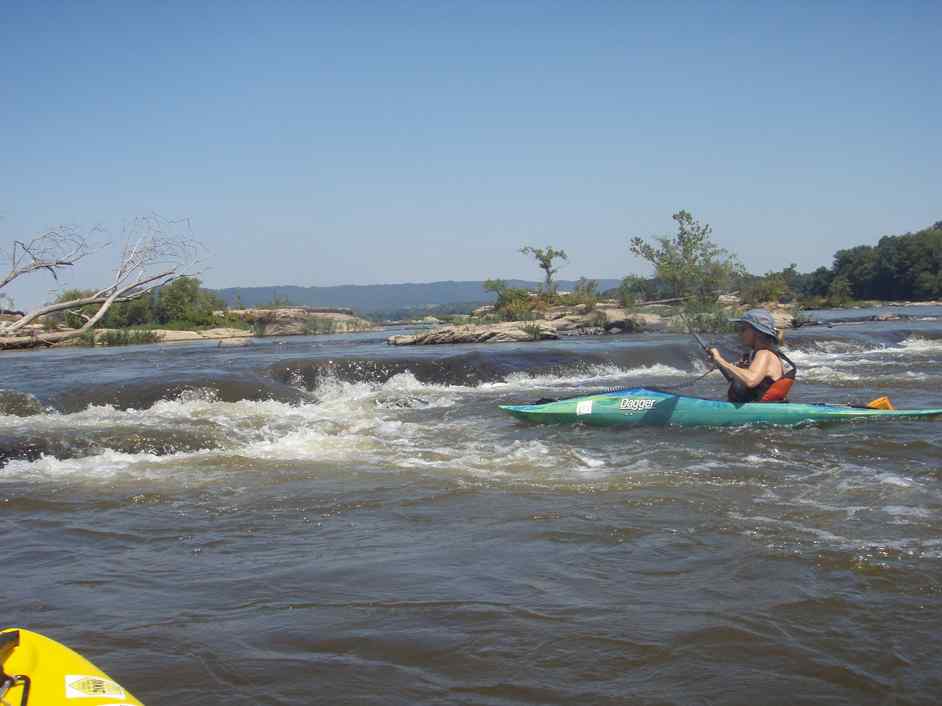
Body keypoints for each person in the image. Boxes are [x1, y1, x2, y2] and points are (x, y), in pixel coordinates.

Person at [708, 309, 797, 403]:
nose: (740, 333)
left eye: (743, 329)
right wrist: (722, 365)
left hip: (756, 412)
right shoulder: (770, 354)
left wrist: (720, 360)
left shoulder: (764, 354)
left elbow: (750, 380)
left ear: (757, 332)